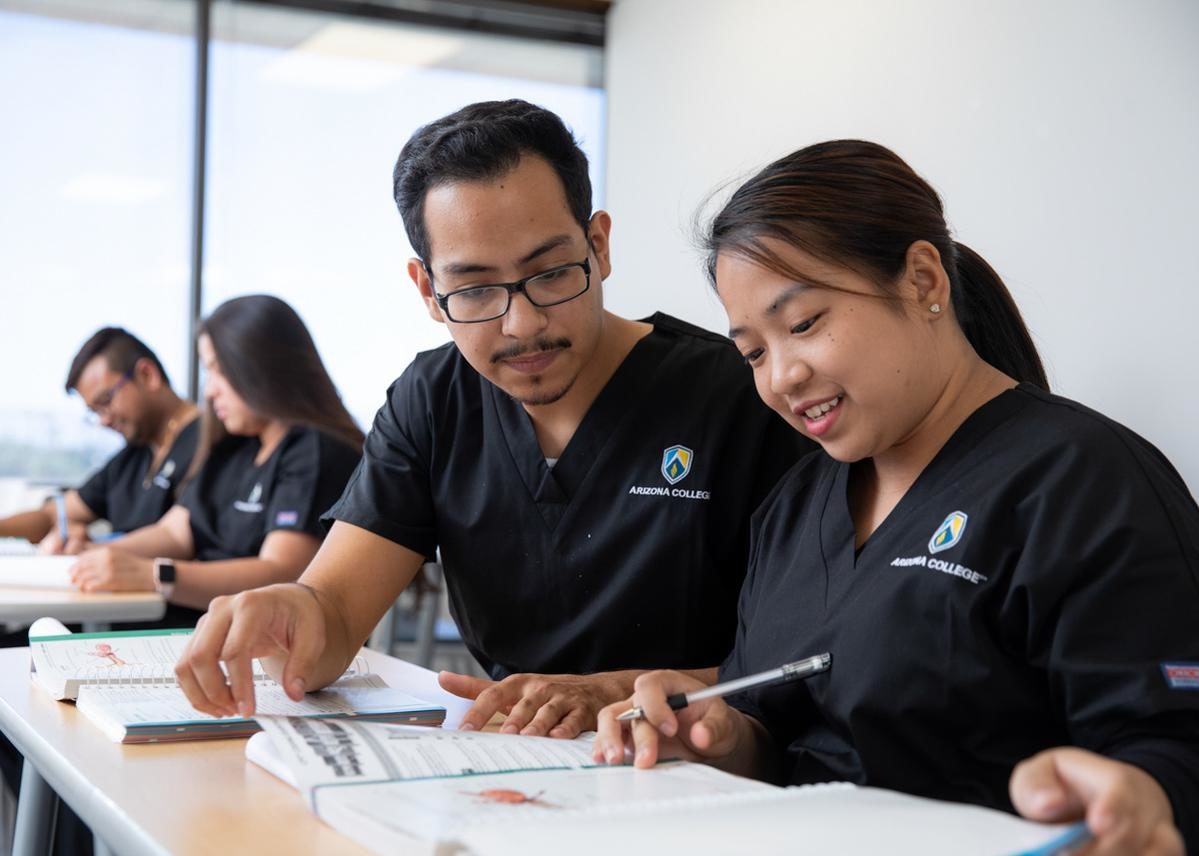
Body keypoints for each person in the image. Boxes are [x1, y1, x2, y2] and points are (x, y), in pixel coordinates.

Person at [595, 140, 1198, 853]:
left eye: (803, 324)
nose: (781, 376)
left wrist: (1141, 797)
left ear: (919, 280)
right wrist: (721, 738)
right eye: (753, 352)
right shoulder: (794, 506)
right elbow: (785, 736)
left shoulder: (1083, 481)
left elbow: (1171, 746)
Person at [173, 99, 812, 733]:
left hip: (704, 767)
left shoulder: (738, 395)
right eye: (475, 289)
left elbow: (806, 659)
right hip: (502, 765)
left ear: (599, 246)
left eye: (552, 272)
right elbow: (335, 611)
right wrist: (292, 611)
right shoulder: (432, 401)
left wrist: (613, 692)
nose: (522, 323)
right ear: (428, 291)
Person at [68, 295, 364, 627]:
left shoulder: (315, 451)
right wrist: (93, 555)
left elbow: (281, 573)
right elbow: (175, 533)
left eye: (219, 371)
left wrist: (156, 575)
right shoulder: (233, 448)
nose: (209, 391)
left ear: (262, 367)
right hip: (196, 632)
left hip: (258, 649)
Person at [0, 328, 199, 553]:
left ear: (146, 375)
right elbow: (55, 515)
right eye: (94, 411)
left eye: (105, 401)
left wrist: (91, 549)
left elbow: (177, 538)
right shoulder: (130, 459)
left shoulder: (210, 445)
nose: (103, 420)